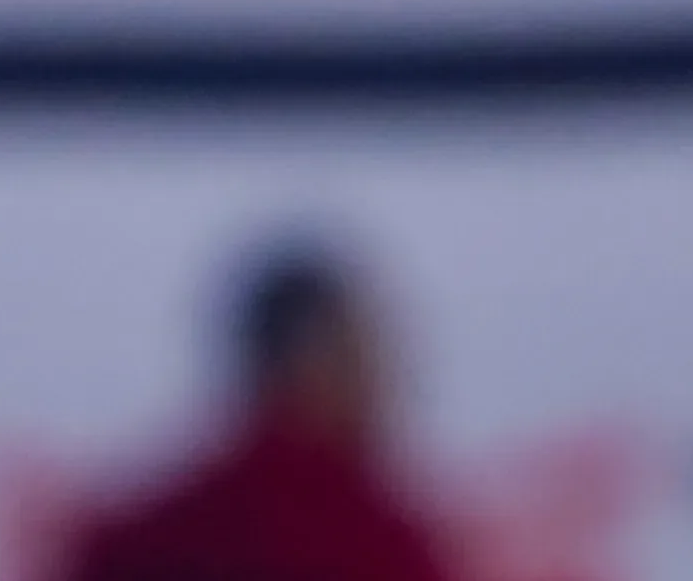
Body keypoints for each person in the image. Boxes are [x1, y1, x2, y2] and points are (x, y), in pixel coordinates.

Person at [56, 247, 455, 581]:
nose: (384, 385)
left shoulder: (136, 541)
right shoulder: (381, 545)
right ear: (315, 364)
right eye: (365, 359)